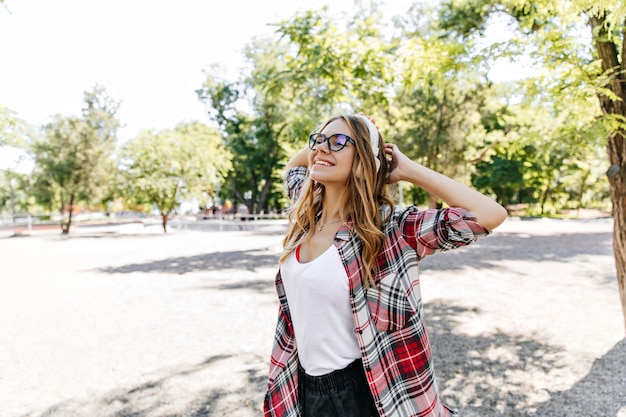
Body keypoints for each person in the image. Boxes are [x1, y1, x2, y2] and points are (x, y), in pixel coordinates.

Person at [263, 114, 507, 417]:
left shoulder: (390, 228)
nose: (323, 147)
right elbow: (295, 166)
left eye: (339, 142)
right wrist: (327, 140)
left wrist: (408, 170)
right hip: (302, 387)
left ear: (363, 159)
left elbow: (488, 215)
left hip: (366, 390)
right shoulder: (306, 208)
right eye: (319, 139)